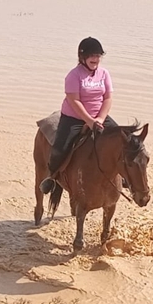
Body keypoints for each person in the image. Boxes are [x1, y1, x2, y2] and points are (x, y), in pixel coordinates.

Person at [40, 36, 118, 194]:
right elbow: (74, 101)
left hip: (99, 116)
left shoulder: (104, 74)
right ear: (82, 57)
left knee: (123, 140)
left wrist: (100, 119)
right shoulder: (73, 75)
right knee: (59, 149)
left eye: (98, 56)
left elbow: (108, 98)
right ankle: (51, 177)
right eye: (92, 55)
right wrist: (89, 121)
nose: (95, 59)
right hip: (74, 117)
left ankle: (124, 177)